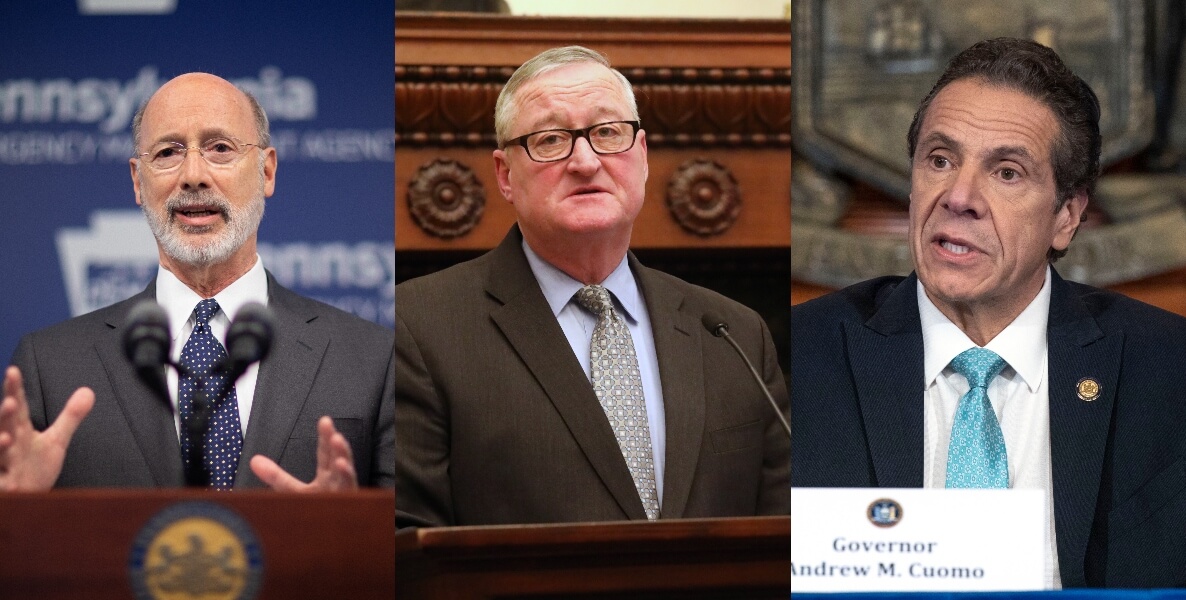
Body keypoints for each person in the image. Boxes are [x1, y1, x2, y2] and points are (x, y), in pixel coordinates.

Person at [791, 37, 1186, 588]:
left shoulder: (1168, 367)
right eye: (940, 160)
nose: (959, 197)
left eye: (1006, 172)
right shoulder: (800, 357)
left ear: (1067, 217)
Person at [394, 46, 789, 527]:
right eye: (550, 139)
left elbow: (783, 531)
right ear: (505, 174)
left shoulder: (735, 334)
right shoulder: (418, 327)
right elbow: (410, 540)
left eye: (607, 133)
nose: (585, 161)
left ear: (642, 156)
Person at [0, 73, 394, 492]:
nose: (193, 175)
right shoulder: (50, 366)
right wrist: (15, 512)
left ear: (266, 171)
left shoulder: (373, 359)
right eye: (168, 152)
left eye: (220, 148)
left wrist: (349, 524)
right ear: (138, 181)